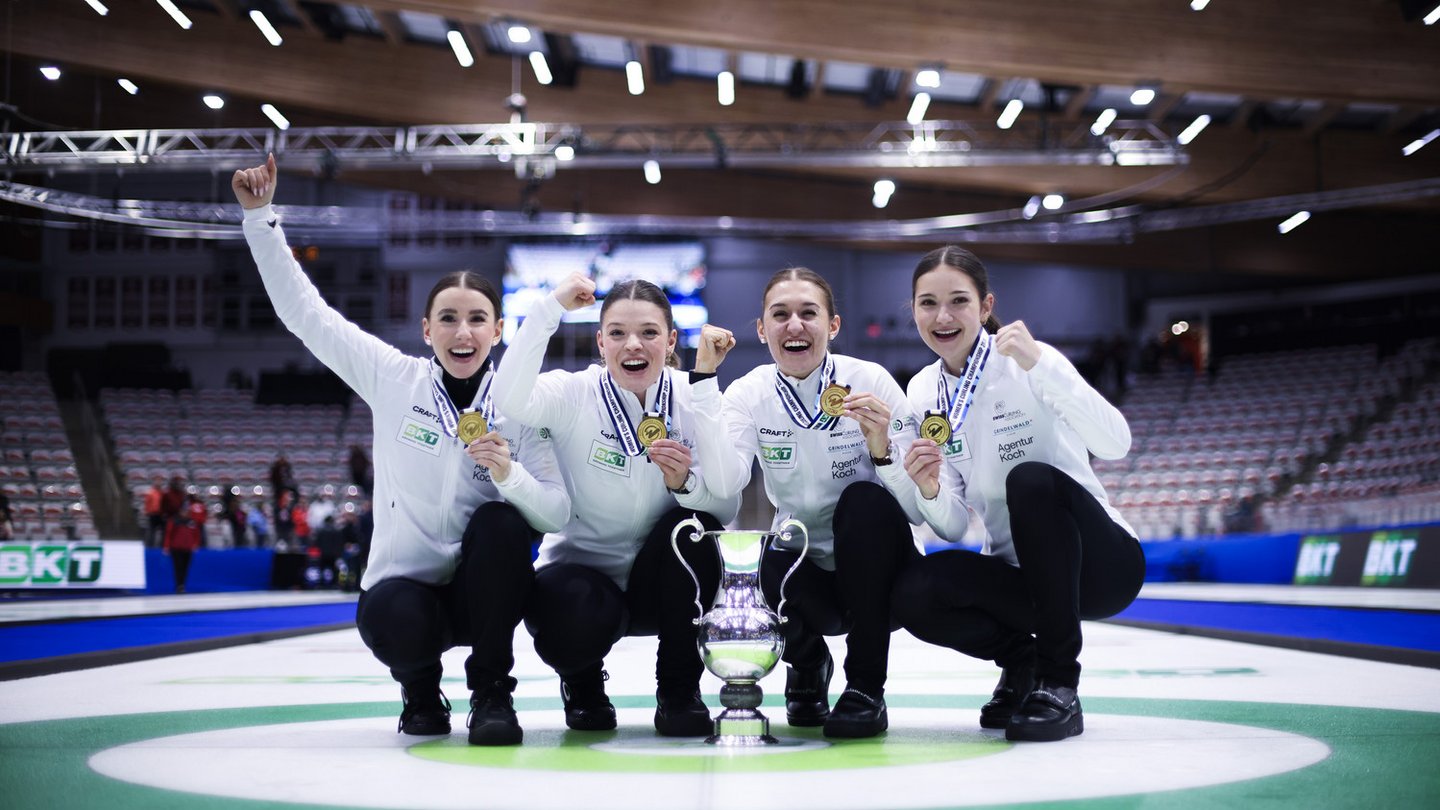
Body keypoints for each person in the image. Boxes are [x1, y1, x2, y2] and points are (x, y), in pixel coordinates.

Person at [232, 154, 571, 747]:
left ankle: (492, 690)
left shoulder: (523, 403)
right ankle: (419, 690)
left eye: (477, 320)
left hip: (484, 596)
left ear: (498, 331)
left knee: (501, 523)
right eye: (448, 319)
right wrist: (261, 220)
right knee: (394, 618)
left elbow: (557, 512)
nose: (462, 332)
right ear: (426, 330)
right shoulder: (393, 379)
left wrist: (510, 475)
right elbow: (306, 316)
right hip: (403, 592)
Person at [893, 245, 1144, 743]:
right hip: (1021, 579)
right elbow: (955, 527)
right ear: (914, 311)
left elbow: (1116, 444)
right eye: (928, 303)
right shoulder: (922, 391)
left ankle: (1059, 684)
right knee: (913, 592)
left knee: (1030, 480)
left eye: (959, 301)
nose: (943, 317)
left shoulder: (1030, 360)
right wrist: (929, 489)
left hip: (1101, 568)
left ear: (986, 306)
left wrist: (1042, 366)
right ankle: (1022, 663)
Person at [491, 272, 740, 737]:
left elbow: (726, 501)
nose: (633, 345)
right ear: (600, 342)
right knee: (572, 611)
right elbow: (509, 398)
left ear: (670, 342)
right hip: (581, 583)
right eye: (618, 333)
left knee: (697, 528)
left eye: (649, 332)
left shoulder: (695, 395)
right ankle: (583, 685)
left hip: (660, 585)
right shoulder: (572, 394)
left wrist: (686, 483)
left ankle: (679, 691)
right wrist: (549, 308)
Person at [706, 267, 926, 739]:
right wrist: (704, 382)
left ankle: (865, 687)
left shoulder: (870, 381)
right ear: (762, 329)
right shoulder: (747, 394)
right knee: (753, 559)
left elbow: (915, 507)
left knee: (863, 501)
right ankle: (808, 664)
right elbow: (725, 486)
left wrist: (883, 451)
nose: (795, 325)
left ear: (833, 325)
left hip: (879, 575)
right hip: (805, 573)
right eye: (780, 314)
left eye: (809, 313)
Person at [164, 492, 207, 593]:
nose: (185, 513)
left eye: (186, 511)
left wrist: (196, 544)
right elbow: (169, 534)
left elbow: (196, 534)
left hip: (188, 549)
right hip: (176, 549)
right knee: (178, 567)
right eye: (183, 511)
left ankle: (182, 585)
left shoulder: (191, 522)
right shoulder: (174, 521)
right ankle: (179, 585)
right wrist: (166, 546)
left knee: (185, 568)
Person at [142, 476, 166, 547]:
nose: (158, 482)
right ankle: (150, 546)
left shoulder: (163, 493)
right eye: (157, 481)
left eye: (160, 481)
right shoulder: (150, 492)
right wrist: (147, 511)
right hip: (152, 514)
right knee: (151, 531)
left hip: (161, 514)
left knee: (164, 531)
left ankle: (162, 546)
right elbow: (147, 503)